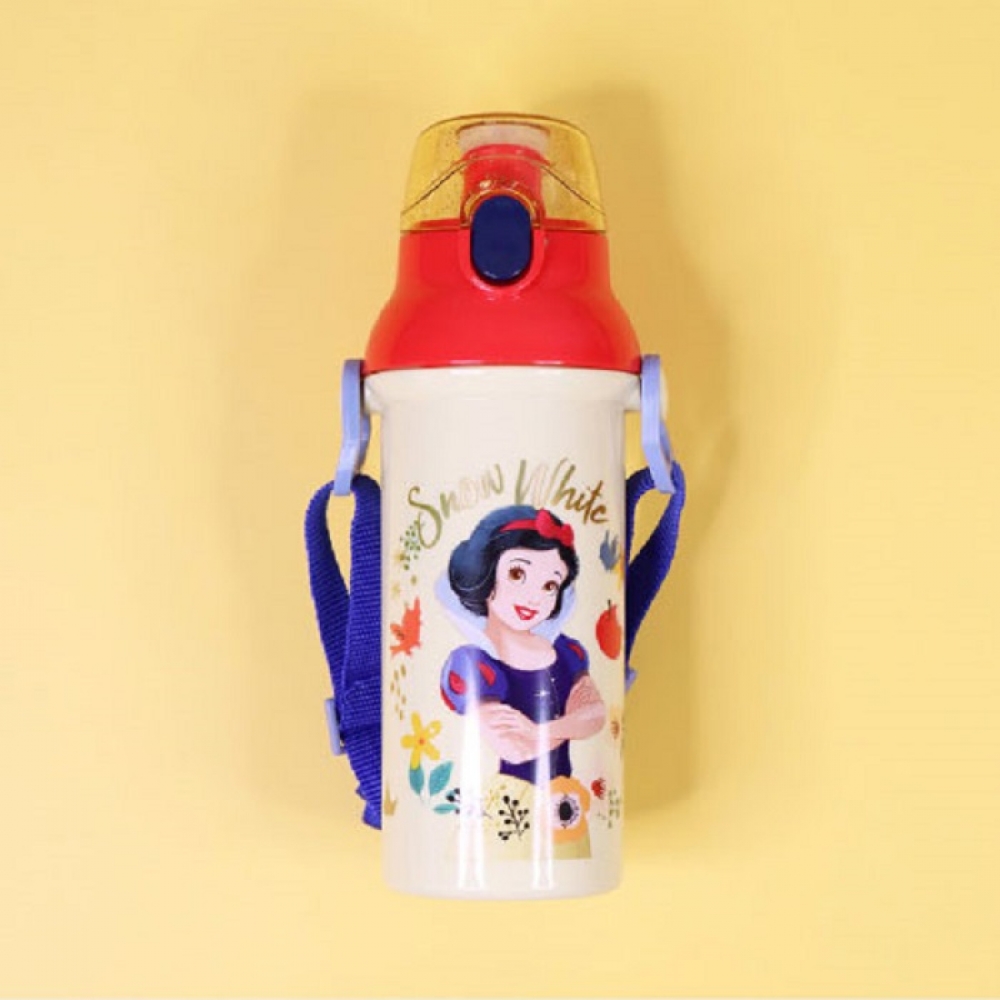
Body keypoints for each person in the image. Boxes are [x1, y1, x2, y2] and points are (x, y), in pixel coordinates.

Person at [437, 505, 606, 785]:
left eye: (550, 585)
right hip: (508, 799)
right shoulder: (473, 663)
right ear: (484, 573)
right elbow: (514, 749)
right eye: (517, 574)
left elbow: (596, 716)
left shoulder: (567, 651)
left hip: (568, 796)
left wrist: (535, 731)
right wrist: (570, 725)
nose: (534, 598)